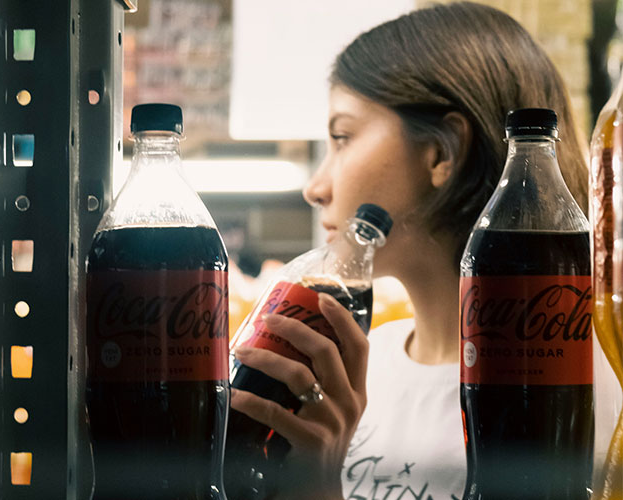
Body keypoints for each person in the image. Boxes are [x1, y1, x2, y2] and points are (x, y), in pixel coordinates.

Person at [229, 2, 589, 499]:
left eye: (342, 136)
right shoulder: (360, 369)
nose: (316, 187)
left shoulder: (566, 398)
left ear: (440, 153)